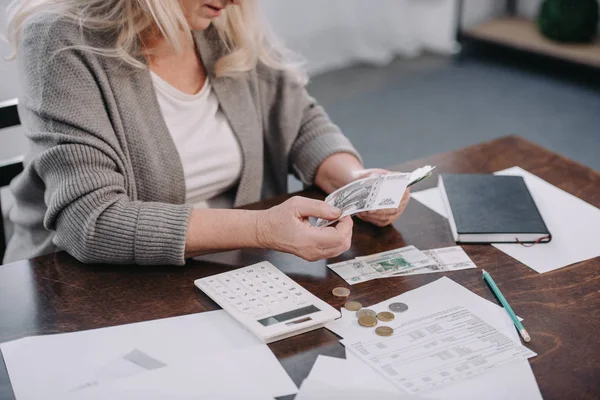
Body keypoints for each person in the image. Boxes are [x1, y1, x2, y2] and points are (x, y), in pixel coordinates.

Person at [3, 0, 410, 265]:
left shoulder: (219, 20)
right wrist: (262, 228)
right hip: (85, 287)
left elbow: (299, 120)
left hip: (226, 272)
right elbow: (91, 222)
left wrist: (353, 180)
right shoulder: (59, 41)